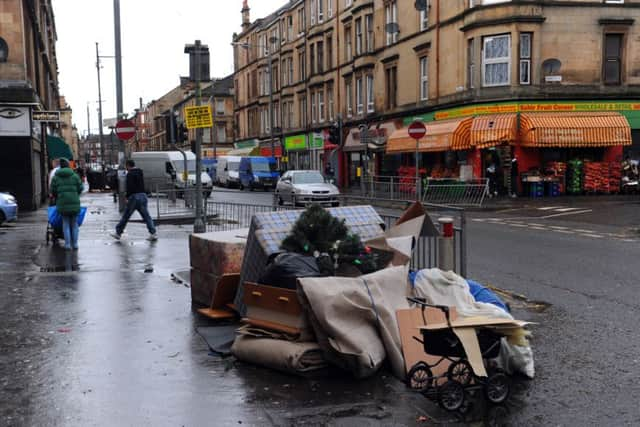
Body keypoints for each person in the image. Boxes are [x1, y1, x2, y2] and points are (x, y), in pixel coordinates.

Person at [111, 160, 157, 241]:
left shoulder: (130, 174)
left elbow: (130, 186)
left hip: (134, 197)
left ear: (128, 165)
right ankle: (153, 233)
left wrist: (127, 197)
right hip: (142, 195)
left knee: (126, 216)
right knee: (146, 216)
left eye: (126, 166)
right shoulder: (140, 172)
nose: (126, 168)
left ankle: (118, 233)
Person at [50, 158, 83, 250]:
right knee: (74, 224)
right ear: (68, 165)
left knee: (65, 224)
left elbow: (53, 190)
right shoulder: (75, 176)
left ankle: (68, 244)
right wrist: (75, 194)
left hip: (62, 203)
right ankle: (75, 244)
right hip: (74, 203)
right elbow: (81, 188)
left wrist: (58, 196)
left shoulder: (56, 177)